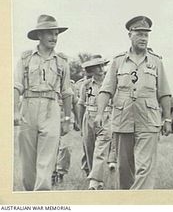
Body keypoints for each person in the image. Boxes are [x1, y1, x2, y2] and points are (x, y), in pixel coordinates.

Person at [94, 16, 172, 189]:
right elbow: (106, 90)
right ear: (130, 35)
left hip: (148, 119)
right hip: (123, 119)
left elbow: (164, 93)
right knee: (124, 168)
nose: (144, 38)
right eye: (139, 34)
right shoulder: (118, 61)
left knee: (145, 168)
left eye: (146, 35)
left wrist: (167, 119)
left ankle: (138, 202)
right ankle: (126, 201)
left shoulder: (156, 61)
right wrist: (99, 113)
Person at [14, 14, 72, 191]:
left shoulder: (62, 62)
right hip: (28, 108)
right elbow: (16, 86)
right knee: (27, 162)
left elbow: (67, 91)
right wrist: (15, 111)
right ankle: (31, 197)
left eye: (56, 34)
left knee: (46, 160)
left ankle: (42, 197)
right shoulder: (26, 59)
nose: (54, 38)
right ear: (39, 35)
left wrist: (67, 118)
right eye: (49, 33)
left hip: (51, 108)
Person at [78, 57, 116, 190]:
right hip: (88, 117)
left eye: (102, 66)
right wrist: (80, 123)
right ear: (91, 69)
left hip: (106, 117)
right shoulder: (86, 85)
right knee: (89, 149)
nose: (101, 70)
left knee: (100, 150)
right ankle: (95, 178)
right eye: (97, 67)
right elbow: (81, 105)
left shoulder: (111, 83)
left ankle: (94, 182)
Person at [52, 80, 80, 185]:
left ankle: (61, 173)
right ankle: (52, 174)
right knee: (52, 148)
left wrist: (78, 120)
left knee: (66, 147)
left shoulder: (71, 84)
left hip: (67, 120)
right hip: (51, 119)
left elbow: (75, 102)